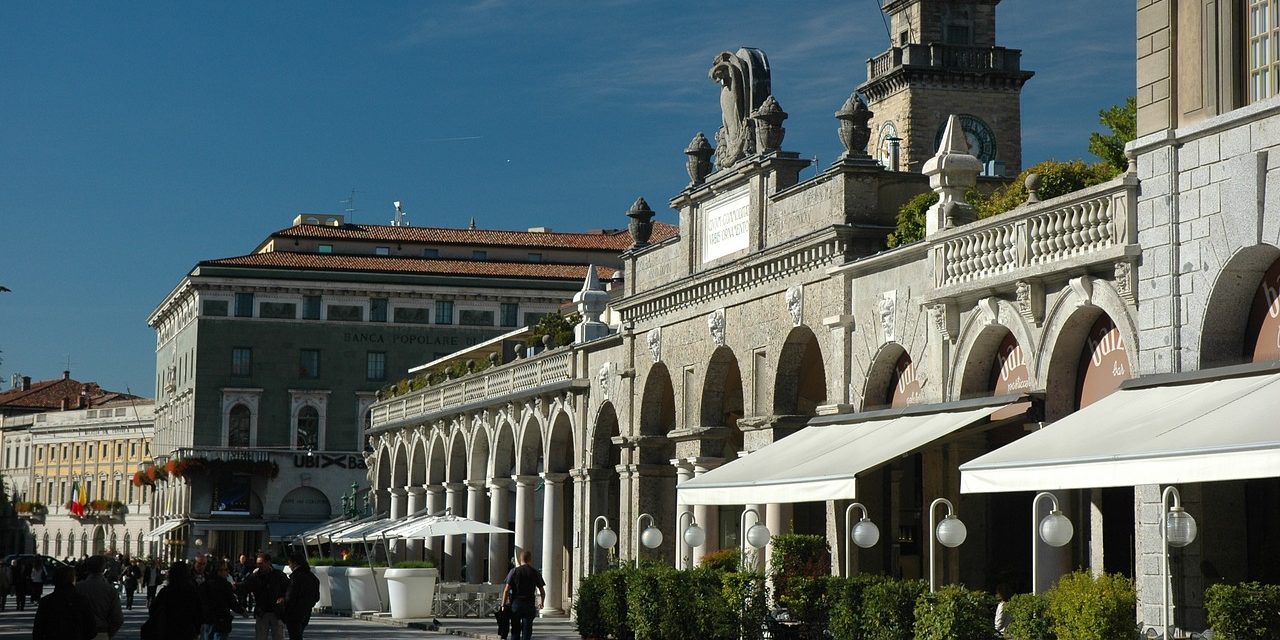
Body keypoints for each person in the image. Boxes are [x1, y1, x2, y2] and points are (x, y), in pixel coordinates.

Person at [142, 560, 202, 640]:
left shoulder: (166, 592)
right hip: (187, 632)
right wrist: (197, 631)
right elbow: (199, 614)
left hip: (168, 631)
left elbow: (153, 610)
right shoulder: (192, 592)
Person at [33, 565, 95, 640]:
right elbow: (91, 630)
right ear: (72, 580)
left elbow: (38, 629)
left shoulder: (46, 601)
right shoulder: (82, 600)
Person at [500, 550, 546, 640]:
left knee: (515, 630)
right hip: (529, 604)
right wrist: (542, 602)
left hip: (516, 604)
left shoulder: (514, 571)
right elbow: (542, 591)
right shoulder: (535, 572)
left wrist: (503, 605)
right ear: (530, 559)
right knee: (527, 630)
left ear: (520, 559)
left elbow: (506, 590)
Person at [243, 552, 289, 640]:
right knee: (260, 637)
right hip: (262, 612)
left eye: (261, 563)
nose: (258, 566)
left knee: (278, 636)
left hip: (277, 612)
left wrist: (283, 598)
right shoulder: (255, 576)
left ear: (268, 563)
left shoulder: (279, 575)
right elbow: (245, 586)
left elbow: (288, 589)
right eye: (257, 564)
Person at [77, 555, 124, 640]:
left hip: (80, 632)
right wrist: (109, 634)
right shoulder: (110, 590)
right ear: (104, 568)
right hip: (101, 632)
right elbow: (118, 618)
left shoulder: (78, 588)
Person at [199, 560, 246, 640]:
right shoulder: (225, 585)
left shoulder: (204, 584)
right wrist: (241, 610)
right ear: (219, 571)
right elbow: (232, 602)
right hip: (221, 620)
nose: (228, 572)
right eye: (226, 570)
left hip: (208, 620)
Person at [281, 553, 320, 640]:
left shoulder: (296, 577)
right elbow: (316, 597)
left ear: (295, 563)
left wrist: (285, 608)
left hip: (294, 612)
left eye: (290, 563)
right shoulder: (312, 577)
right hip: (306, 611)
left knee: (295, 635)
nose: (289, 566)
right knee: (299, 634)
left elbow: (290, 596)